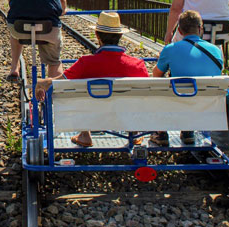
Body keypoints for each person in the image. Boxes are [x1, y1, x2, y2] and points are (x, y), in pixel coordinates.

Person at [35, 11, 148, 146]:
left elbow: (58, 83)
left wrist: (40, 83)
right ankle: (134, 133)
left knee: (76, 94)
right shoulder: (138, 65)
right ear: (120, 36)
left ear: (97, 36)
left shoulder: (85, 63)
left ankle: (85, 134)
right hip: (124, 116)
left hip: (93, 116)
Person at [151, 10, 224, 146]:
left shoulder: (170, 49)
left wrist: (162, 59)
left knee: (159, 87)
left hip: (178, 106)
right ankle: (187, 131)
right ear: (200, 28)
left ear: (179, 30)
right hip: (210, 107)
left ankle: (161, 133)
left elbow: (156, 75)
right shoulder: (216, 50)